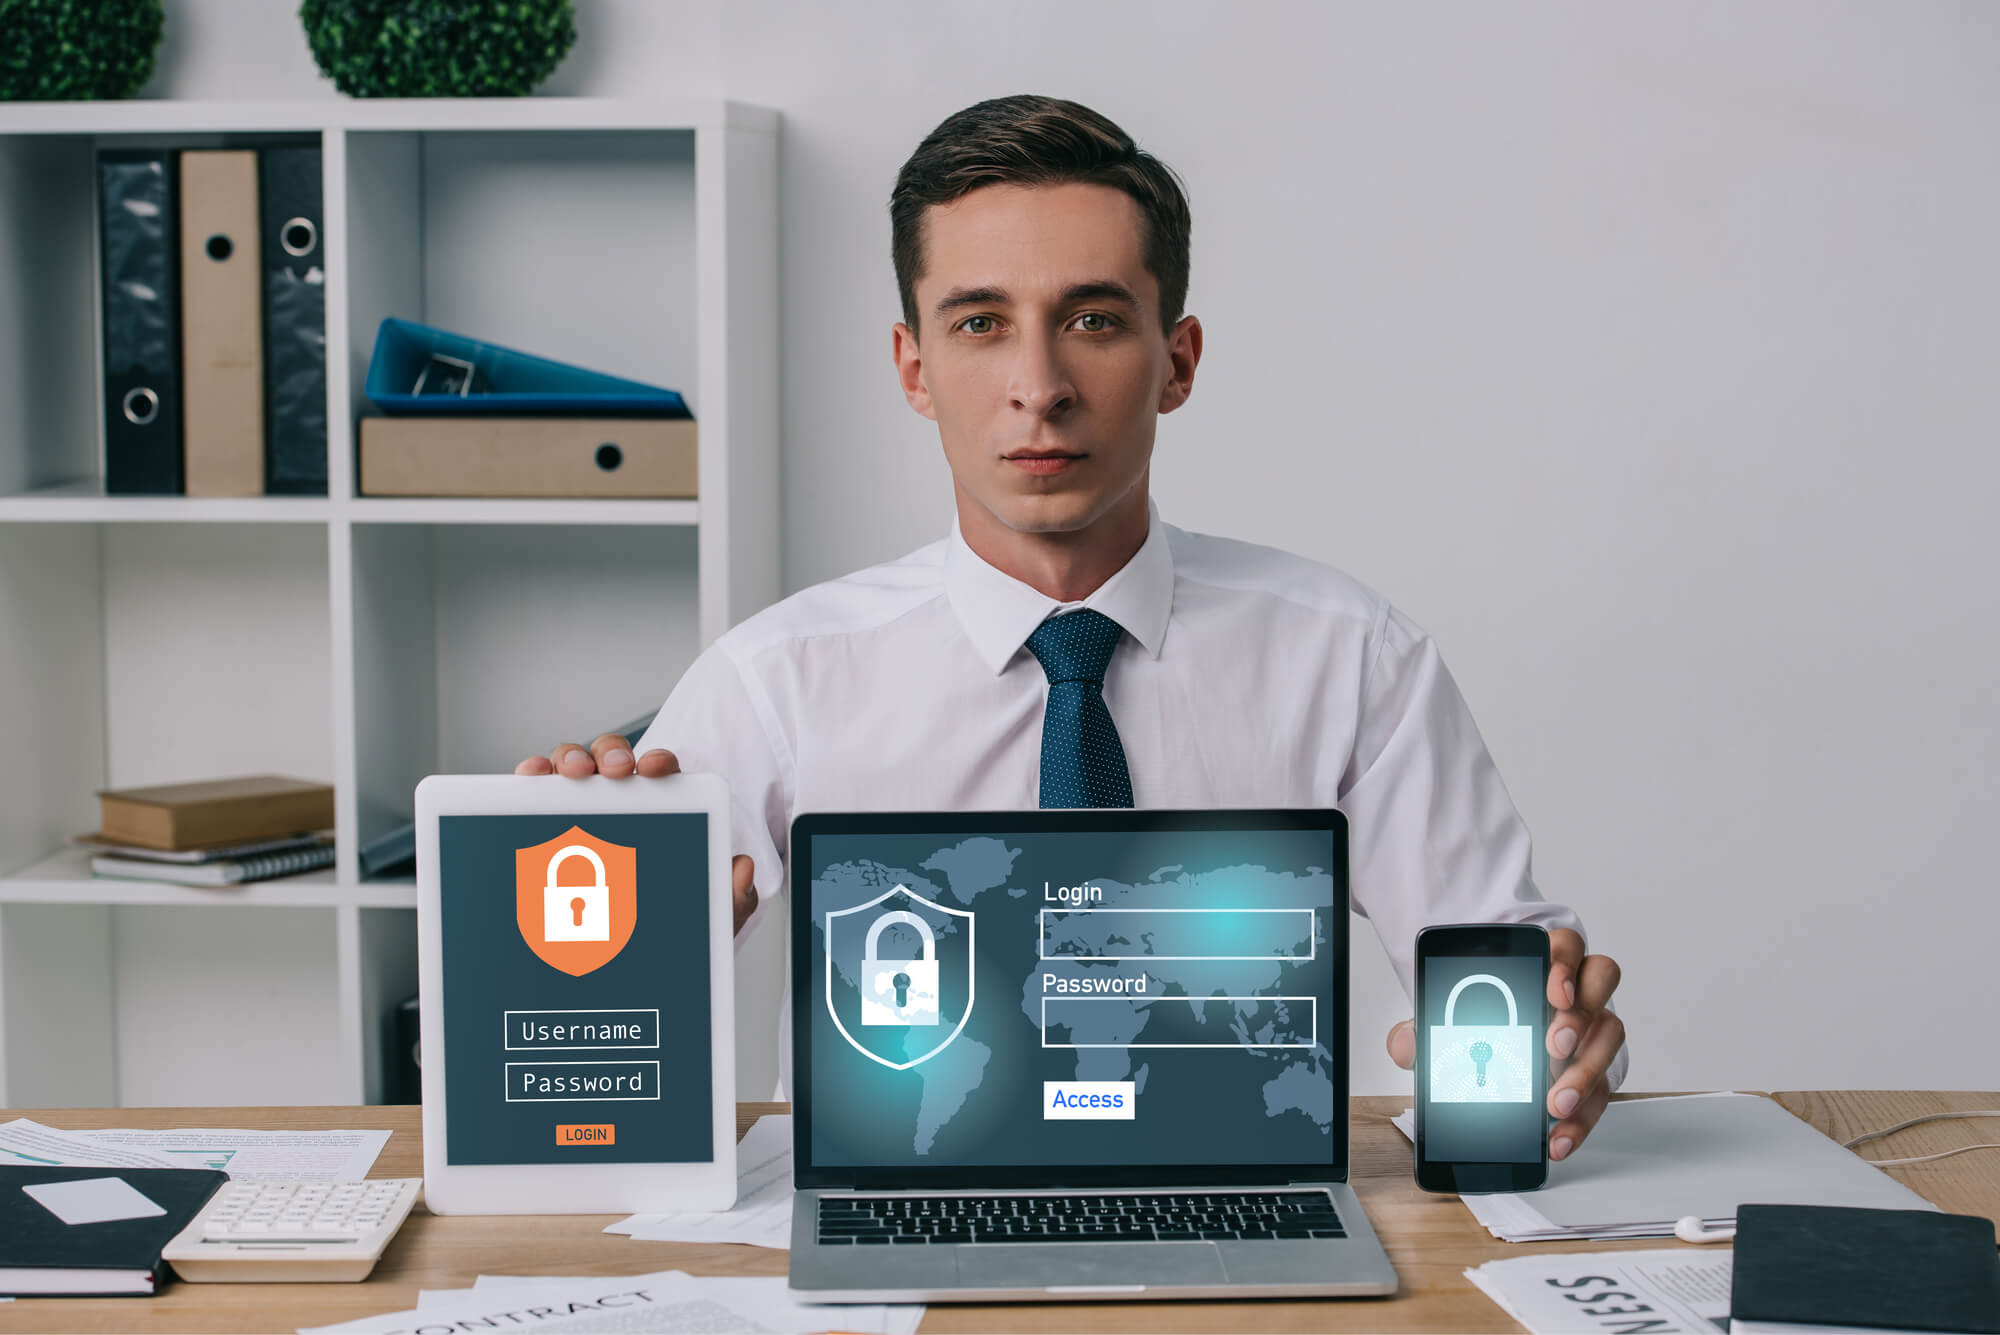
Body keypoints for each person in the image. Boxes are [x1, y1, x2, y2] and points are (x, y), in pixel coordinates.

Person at [517, 94, 1629, 1160]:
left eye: (1092, 321)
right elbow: (594, 1027)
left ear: (1176, 362)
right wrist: (590, 940)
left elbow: (1503, 968)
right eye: (979, 324)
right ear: (914, 368)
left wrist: (1555, 1046)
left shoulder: (1349, 658)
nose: (1037, 386)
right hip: (895, 1208)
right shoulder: (777, 681)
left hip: (1237, 1207)